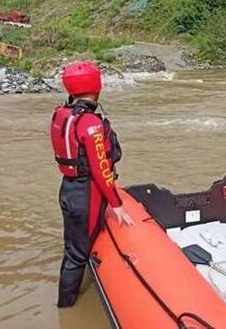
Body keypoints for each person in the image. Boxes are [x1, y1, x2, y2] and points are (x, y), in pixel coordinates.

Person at [50, 61, 134, 308]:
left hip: (68, 188)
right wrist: (116, 204)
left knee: (71, 248)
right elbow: (101, 169)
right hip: (87, 195)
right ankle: (65, 308)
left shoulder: (61, 114)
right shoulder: (91, 124)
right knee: (76, 256)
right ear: (97, 85)